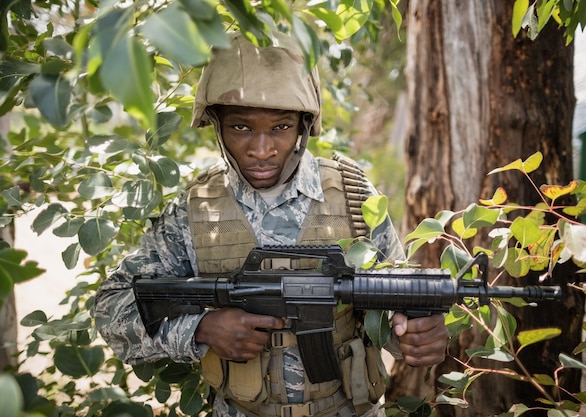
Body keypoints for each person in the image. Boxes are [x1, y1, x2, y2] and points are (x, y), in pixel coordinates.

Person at [95, 31, 448, 417]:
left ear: (303, 125)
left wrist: (414, 336)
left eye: (280, 127)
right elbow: (112, 307)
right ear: (217, 125)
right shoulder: (193, 212)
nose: (261, 150)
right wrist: (201, 329)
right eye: (241, 127)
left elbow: (390, 302)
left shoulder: (353, 195)